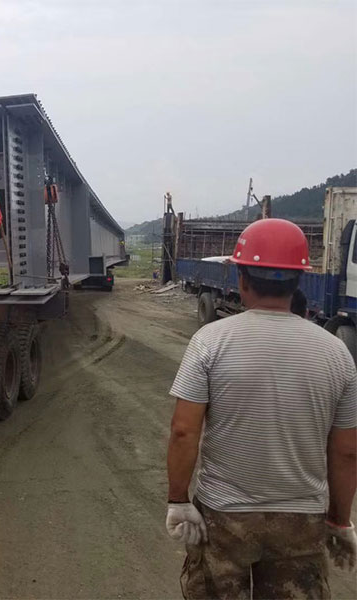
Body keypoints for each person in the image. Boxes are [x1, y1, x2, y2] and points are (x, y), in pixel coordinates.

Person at [165, 218, 357, 599]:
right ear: (298, 280)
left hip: (224, 517)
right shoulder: (336, 353)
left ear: (241, 278)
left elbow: (184, 431)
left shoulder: (209, 341)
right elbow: (347, 450)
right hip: (301, 521)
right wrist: (338, 519)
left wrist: (178, 500)